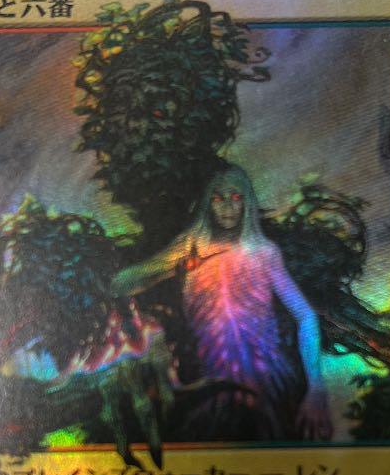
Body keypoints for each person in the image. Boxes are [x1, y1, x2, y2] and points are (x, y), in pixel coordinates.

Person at [111, 164, 332, 441]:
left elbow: (306, 316)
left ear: (247, 203)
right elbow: (121, 285)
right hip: (207, 384)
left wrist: (317, 387)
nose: (228, 206)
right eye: (218, 198)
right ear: (208, 204)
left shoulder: (264, 253)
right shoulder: (191, 246)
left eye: (236, 197)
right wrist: (167, 268)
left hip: (268, 381)